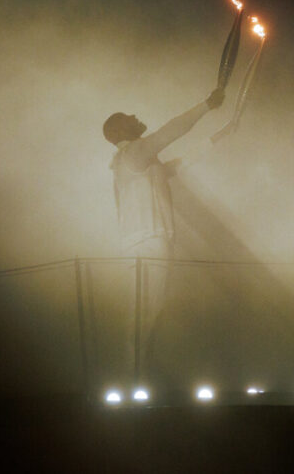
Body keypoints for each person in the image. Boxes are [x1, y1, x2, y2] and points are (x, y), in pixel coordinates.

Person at [103, 87, 225, 383]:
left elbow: (177, 165)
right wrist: (207, 105)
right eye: (127, 117)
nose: (135, 116)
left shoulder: (133, 161)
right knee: (144, 316)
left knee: (145, 314)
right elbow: (171, 131)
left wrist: (217, 138)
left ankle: (137, 374)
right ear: (120, 129)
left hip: (142, 244)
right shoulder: (134, 151)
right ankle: (135, 377)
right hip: (148, 244)